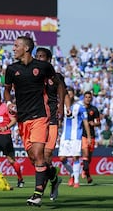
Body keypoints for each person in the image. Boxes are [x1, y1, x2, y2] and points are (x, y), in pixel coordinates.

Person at [4, 36, 66, 206]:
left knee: (40, 154)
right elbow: (7, 91)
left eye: (16, 46)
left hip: (41, 115)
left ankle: (37, 194)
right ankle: (54, 178)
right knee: (33, 158)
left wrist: (60, 106)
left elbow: (59, 84)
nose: (13, 48)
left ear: (26, 48)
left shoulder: (44, 67)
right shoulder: (11, 69)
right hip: (23, 119)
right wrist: (9, 103)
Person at [35, 47, 68, 200]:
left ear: (48, 59)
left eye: (42, 56)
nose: (39, 58)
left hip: (52, 119)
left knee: (47, 155)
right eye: (37, 56)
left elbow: (63, 91)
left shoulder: (55, 76)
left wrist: (63, 107)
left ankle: (38, 192)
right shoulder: (33, 76)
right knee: (37, 158)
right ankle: (54, 180)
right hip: (36, 119)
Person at [0, 90, 24, 188]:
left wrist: (6, 127)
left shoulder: (6, 108)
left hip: (5, 137)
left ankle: (20, 178)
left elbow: (14, 120)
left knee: (11, 161)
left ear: (0, 99)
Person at [58, 87, 92, 188]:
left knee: (75, 157)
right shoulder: (62, 106)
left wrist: (89, 136)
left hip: (76, 135)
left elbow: (85, 122)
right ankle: (72, 174)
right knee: (62, 158)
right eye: (67, 94)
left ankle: (76, 181)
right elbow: (60, 120)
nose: (68, 95)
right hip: (65, 135)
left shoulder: (80, 106)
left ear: (73, 94)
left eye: (70, 93)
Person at [81, 91, 101, 184]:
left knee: (89, 158)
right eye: (86, 97)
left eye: (89, 97)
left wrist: (95, 124)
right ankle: (84, 171)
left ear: (91, 98)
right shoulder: (80, 109)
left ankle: (87, 174)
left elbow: (99, 122)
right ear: (83, 98)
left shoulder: (94, 109)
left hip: (92, 136)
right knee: (85, 154)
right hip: (82, 135)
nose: (88, 99)